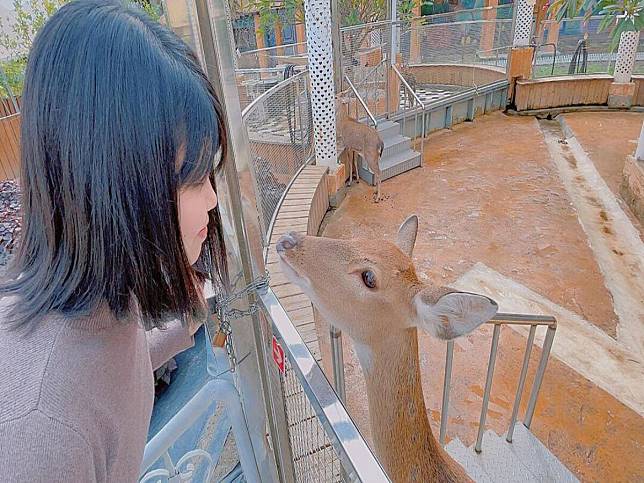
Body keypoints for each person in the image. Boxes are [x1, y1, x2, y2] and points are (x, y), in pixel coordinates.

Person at [0, 1, 229, 481]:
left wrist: (188, 318)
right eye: (190, 178)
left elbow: (108, 369)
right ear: (113, 183)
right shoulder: (40, 435)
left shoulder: (95, 304)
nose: (211, 198)